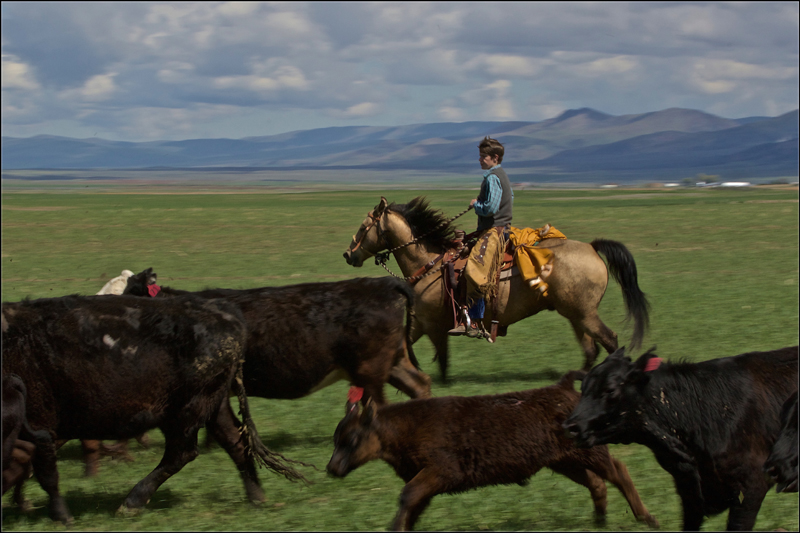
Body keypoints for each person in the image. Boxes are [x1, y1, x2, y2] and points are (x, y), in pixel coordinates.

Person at [449, 136, 514, 338]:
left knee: (473, 270)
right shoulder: (502, 175)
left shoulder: (493, 177)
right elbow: (509, 198)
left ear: (494, 157)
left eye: (483, 157)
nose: (480, 160)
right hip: (499, 229)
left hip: (494, 231)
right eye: (480, 156)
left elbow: (491, 208)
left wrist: (476, 205)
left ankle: (475, 322)